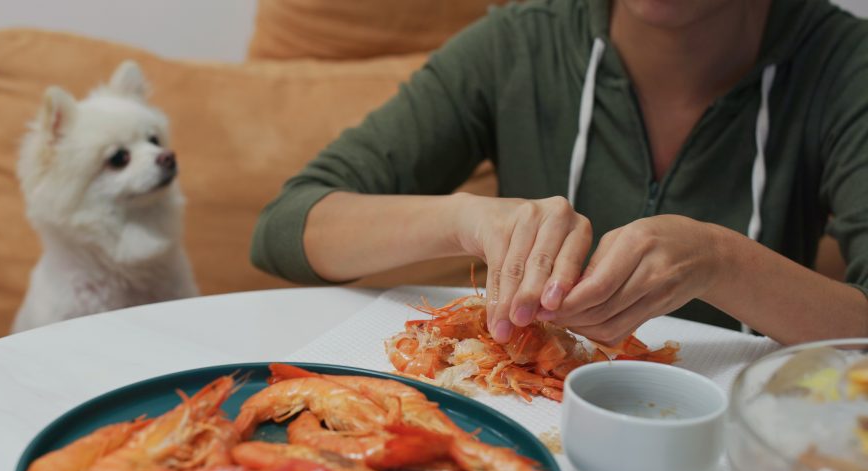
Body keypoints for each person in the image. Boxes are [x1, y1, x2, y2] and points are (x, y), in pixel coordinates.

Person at [250, 0, 868, 346]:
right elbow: (288, 228)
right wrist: (467, 216)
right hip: (534, 434)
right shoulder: (517, 44)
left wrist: (720, 260)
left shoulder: (846, 66)